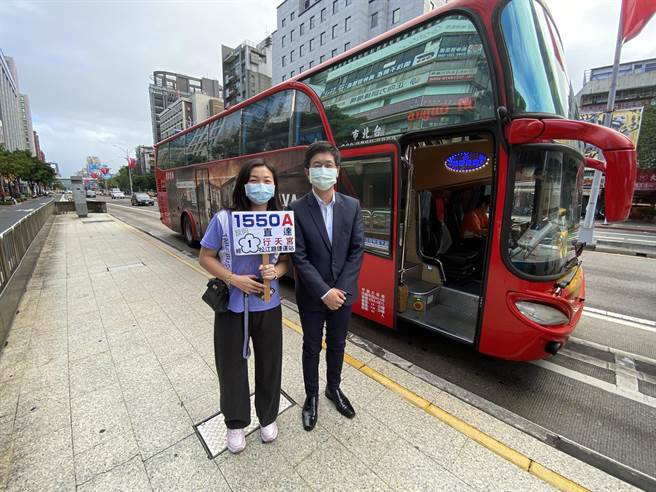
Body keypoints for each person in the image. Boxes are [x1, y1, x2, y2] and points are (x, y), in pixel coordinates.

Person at [199, 158, 290, 454]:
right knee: (231, 367)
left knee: (270, 365)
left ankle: (267, 418)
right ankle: (236, 423)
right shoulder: (224, 219)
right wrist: (233, 278)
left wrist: (276, 272)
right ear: (243, 184)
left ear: (274, 186)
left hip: (268, 305)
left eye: (267, 181)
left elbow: (287, 261)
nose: (261, 186)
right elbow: (206, 256)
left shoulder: (281, 221)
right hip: (232, 308)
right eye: (255, 180)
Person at [290, 141, 365, 432]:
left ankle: (333, 389)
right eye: (317, 165)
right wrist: (324, 291)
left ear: (338, 170)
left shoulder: (352, 206)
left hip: (342, 296)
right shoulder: (296, 208)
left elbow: (357, 249)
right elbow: (299, 255)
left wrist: (340, 291)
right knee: (311, 347)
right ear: (308, 172)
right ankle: (311, 397)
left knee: (337, 345)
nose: (324, 170)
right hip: (312, 296)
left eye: (329, 165)